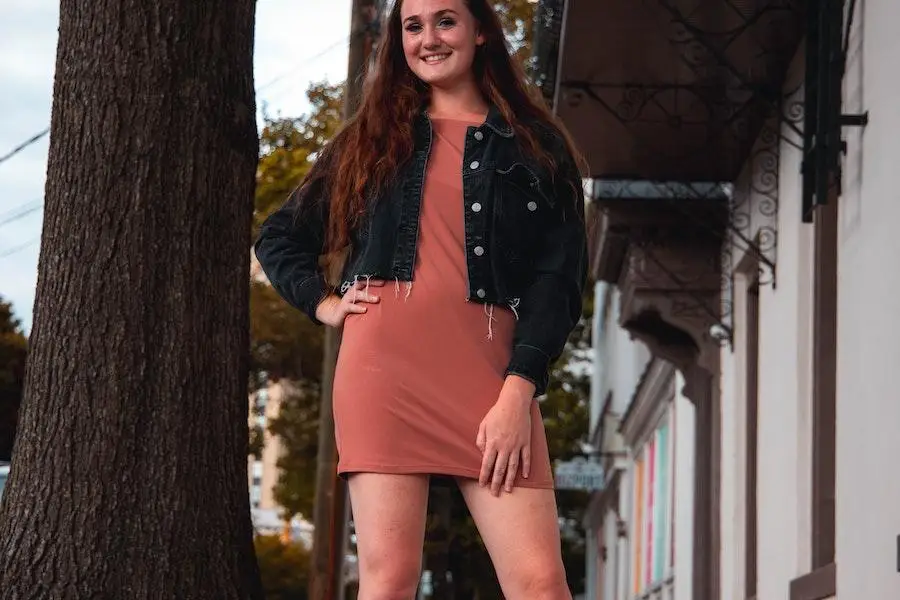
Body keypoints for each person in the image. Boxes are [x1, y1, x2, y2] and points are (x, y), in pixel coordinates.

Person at [254, 0, 587, 597]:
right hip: (384, 371)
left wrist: (520, 389)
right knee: (389, 580)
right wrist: (325, 304)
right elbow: (279, 237)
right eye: (413, 26)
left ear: (480, 32)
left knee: (540, 583)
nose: (428, 38)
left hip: (493, 381)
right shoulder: (370, 141)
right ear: (398, 41)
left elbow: (558, 281)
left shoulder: (536, 147)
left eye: (445, 21)